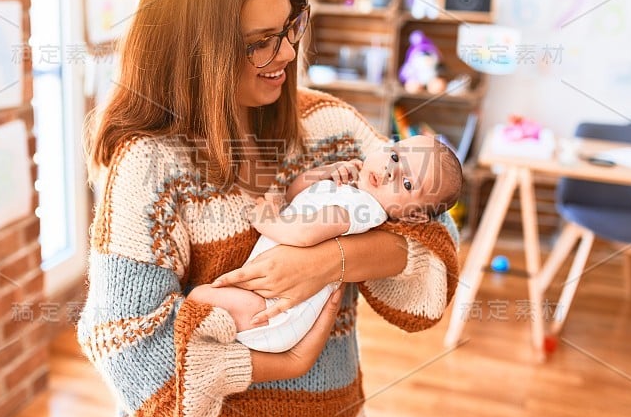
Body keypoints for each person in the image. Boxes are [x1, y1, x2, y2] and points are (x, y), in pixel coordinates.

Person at [78, 0, 460, 417]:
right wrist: (278, 363)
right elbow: (129, 355)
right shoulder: (150, 166)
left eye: (289, 28)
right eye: (260, 42)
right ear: (196, 53)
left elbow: (436, 251)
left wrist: (329, 261)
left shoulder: (330, 129)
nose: (285, 54)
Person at [188, 135, 462, 353]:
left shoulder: (363, 209)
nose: (390, 170)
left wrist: (266, 220)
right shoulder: (353, 191)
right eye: (394, 155)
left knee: (198, 298)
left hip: (272, 315)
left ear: (414, 215)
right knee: (205, 307)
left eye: (406, 183)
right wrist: (323, 173)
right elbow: (297, 194)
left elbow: (304, 234)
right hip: (267, 303)